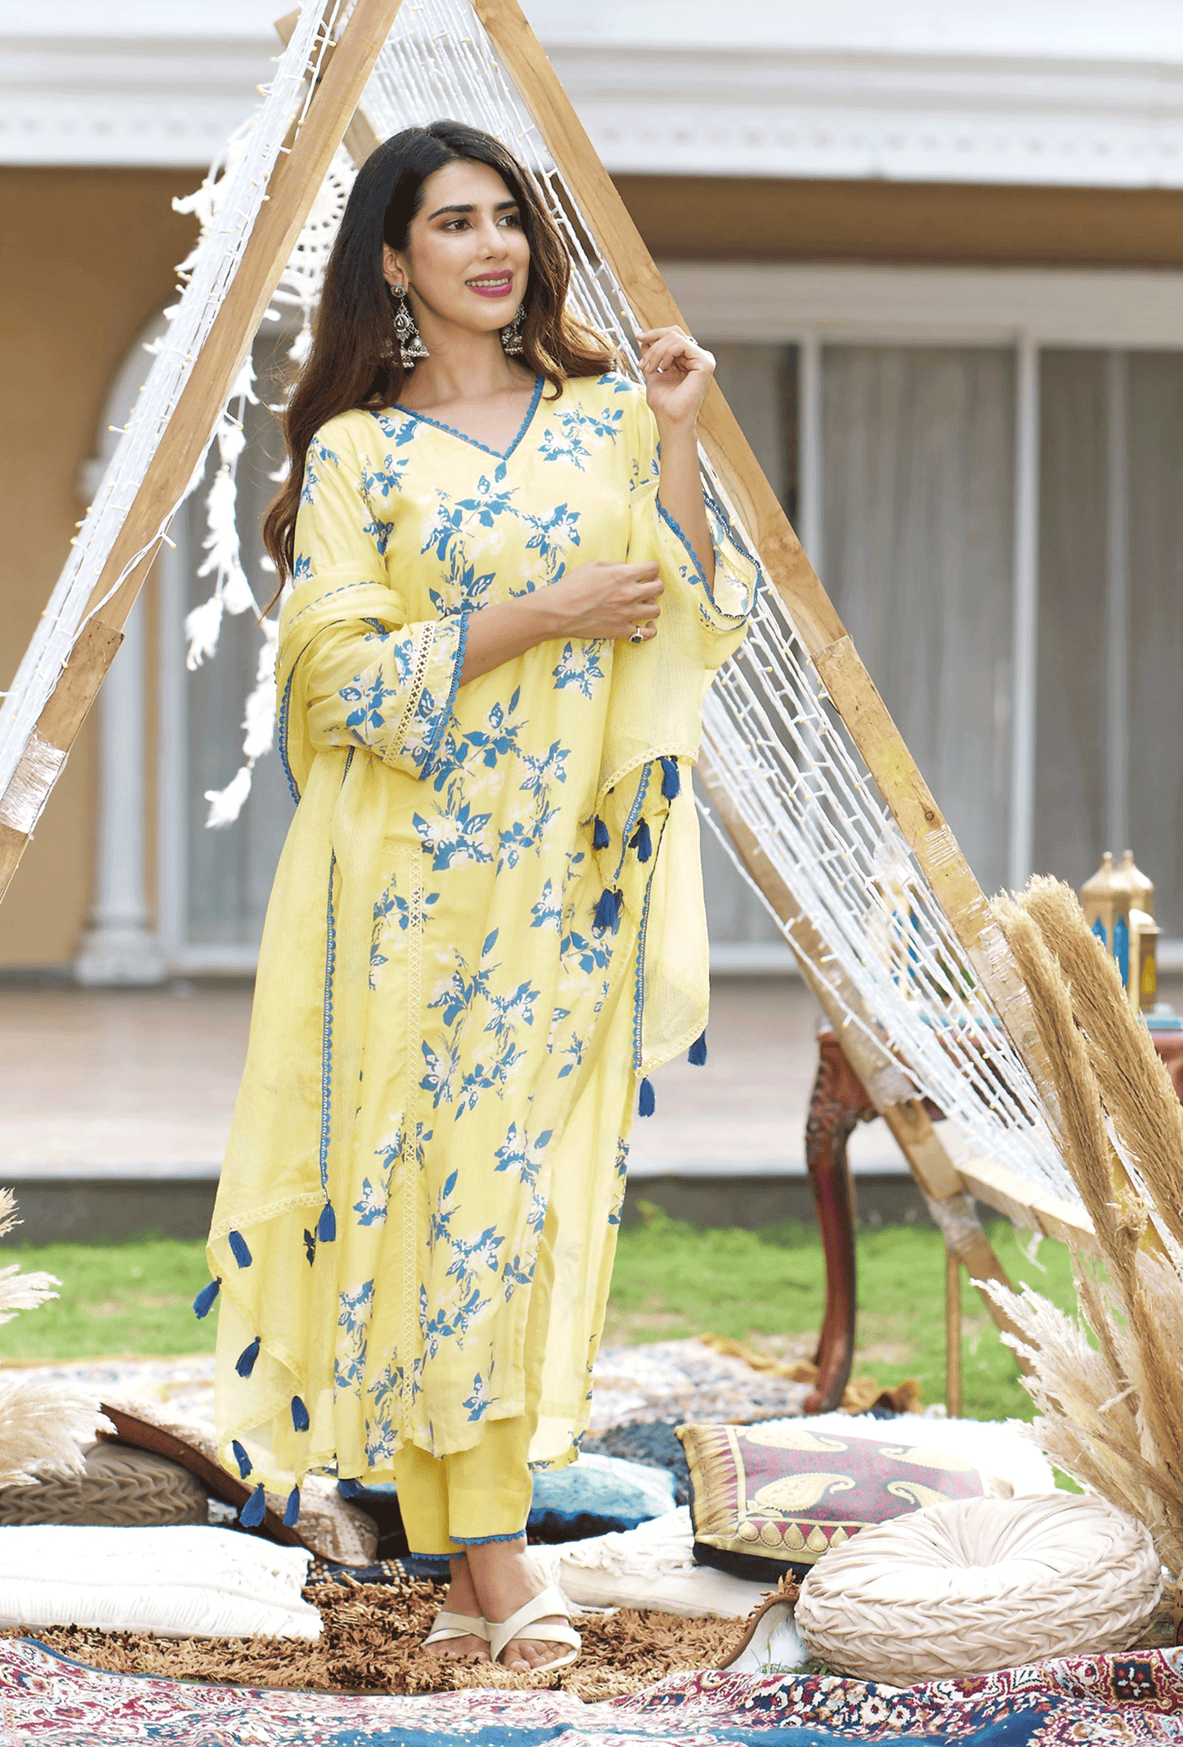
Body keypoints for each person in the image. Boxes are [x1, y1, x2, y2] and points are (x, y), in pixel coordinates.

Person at [204, 120, 759, 1671]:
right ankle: (497, 1566)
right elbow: (341, 680)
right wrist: (545, 610)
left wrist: (678, 437)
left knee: (512, 1205)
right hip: (406, 893)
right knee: (430, 1205)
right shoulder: (357, 456)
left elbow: (685, 605)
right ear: (393, 261)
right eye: (453, 222)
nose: (493, 244)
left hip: (563, 878)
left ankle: (470, 1572)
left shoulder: (603, 419)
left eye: (508, 216)